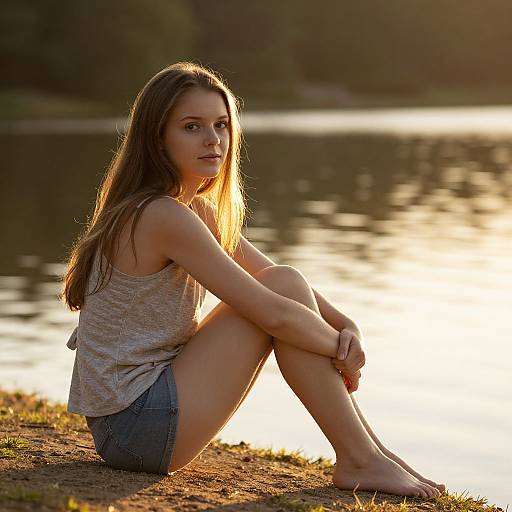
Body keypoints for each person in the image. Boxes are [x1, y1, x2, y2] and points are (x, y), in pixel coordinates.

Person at [61, 61, 445, 498]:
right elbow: (275, 315)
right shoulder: (159, 215)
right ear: (157, 138)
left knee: (282, 280)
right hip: (134, 430)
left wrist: (346, 326)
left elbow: (275, 277)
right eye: (192, 126)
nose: (213, 139)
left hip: (138, 421)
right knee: (280, 297)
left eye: (221, 125)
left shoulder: (191, 209)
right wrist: (337, 349)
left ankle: (369, 454)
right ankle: (360, 458)